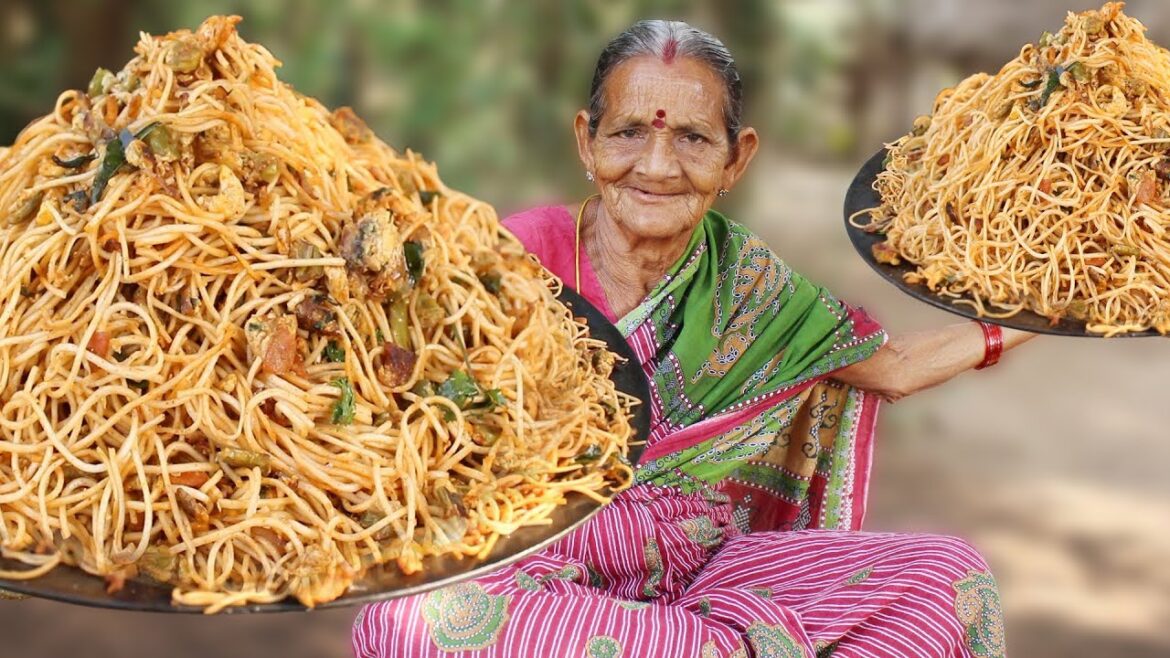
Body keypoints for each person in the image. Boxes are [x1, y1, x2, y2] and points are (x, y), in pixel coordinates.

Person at [354, 20, 1032, 658]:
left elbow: (893, 368)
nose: (657, 165)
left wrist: (1046, 311)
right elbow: (404, 400)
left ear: (737, 159)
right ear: (586, 142)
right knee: (414, 621)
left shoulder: (750, 279)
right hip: (534, 566)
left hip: (705, 570)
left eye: (693, 139)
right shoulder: (510, 259)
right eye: (627, 134)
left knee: (947, 578)